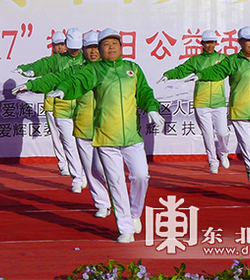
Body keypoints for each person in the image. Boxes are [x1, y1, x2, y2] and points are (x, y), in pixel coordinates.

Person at [49, 28, 164, 243]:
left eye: (114, 44)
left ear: (121, 47)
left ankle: (135, 213)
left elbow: (145, 93)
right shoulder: (95, 71)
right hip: (106, 138)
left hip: (132, 136)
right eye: (105, 44)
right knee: (116, 181)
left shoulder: (132, 69)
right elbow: (77, 82)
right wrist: (64, 90)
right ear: (100, 49)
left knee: (141, 176)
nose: (110, 47)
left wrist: (152, 108)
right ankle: (125, 228)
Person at [12, 30, 111, 218]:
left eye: (95, 48)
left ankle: (125, 209)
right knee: (70, 145)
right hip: (72, 113)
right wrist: (30, 82)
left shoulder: (115, 68)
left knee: (106, 168)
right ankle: (91, 191)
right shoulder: (76, 67)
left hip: (107, 124)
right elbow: (54, 76)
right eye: (88, 49)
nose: (91, 52)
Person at [192, 26, 250, 191]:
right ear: (240, 42)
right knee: (246, 146)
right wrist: (200, 75)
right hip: (239, 110)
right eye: (247, 40)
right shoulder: (233, 61)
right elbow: (217, 71)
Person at [13, 28, 87, 192]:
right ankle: (71, 171)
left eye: (77, 47)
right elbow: (44, 68)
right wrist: (28, 71)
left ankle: (83, 172)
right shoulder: (57, 60)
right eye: (60, 45)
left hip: (83, 105)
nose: (72, 50)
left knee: (82, 142)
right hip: (58, 104)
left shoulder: (87, 60)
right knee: (64, 139)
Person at [158, 29, 229, 174]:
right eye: (206, 42)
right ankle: (212, 161)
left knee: (222, 133)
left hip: (219, 102)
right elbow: (182, 70)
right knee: (208, 134)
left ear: (216, 43)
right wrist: (168, 75)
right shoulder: (196, 60)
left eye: (212, 42)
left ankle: (223, 153)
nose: (209, 45)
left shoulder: (223, 58)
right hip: (201, 103)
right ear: (201, 43)